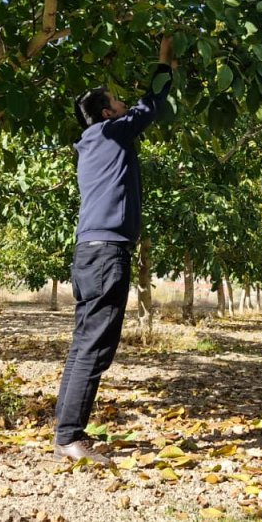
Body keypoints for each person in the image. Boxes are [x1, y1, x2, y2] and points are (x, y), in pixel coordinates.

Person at [53, 36, 175, 465]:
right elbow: (151, 105)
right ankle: (70, 438)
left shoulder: (91, 143)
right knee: (94, 348)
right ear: (107, 112)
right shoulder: (110, 131)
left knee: (84, 345)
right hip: (106, 254)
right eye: (117, 101)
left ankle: (66, 433)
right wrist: (165, 62)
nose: (124, 105)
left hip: (91, 251)